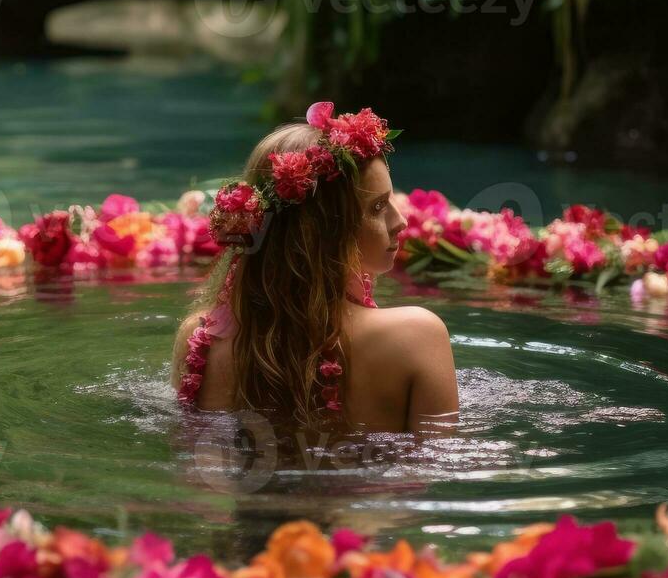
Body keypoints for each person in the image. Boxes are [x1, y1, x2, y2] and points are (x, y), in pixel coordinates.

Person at [171, 102, 458, 435]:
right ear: (323, 231)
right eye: (378, 207)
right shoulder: (417, 336)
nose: (401, 220)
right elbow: (437, 472)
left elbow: (202, 466)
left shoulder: (203, 340)